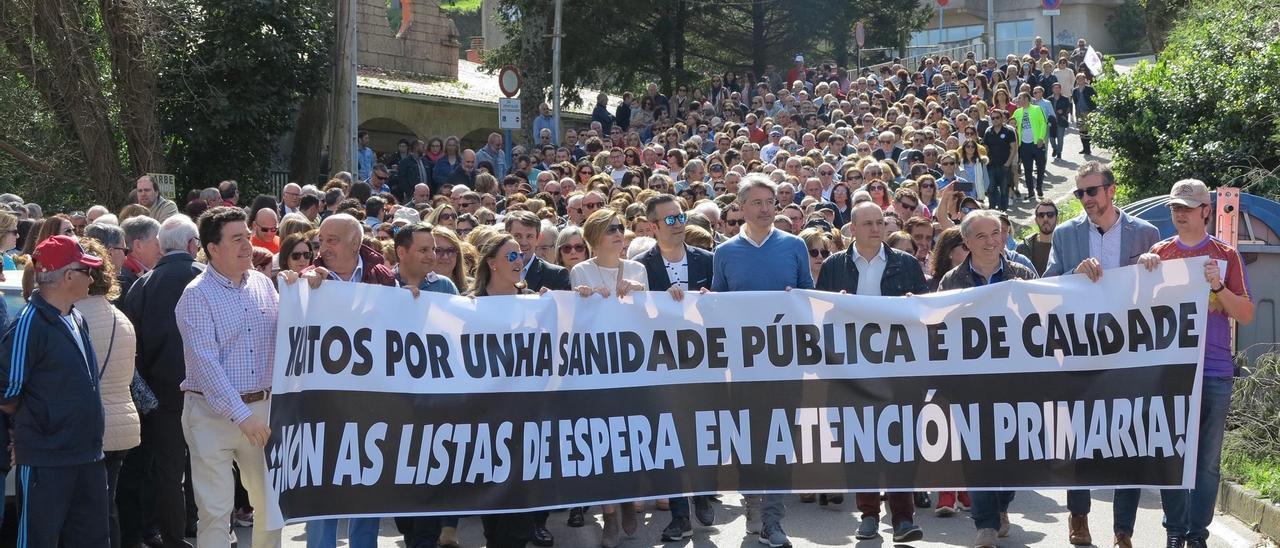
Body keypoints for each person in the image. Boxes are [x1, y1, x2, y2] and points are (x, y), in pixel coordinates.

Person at [1044, 162, 1160, 548]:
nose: (1086, 200)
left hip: (1129, 354)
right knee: (1078, 440)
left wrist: (1152, 268)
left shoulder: (1146, 234)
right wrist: (1072, 276)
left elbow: (1162, 294)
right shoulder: (1065, 234)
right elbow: (1048, 286)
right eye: (1079, 194)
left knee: (1130, 440)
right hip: (1080, 354)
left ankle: (1123, 530)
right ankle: (1078, 516)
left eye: (1091, 192)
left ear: (1112, 191)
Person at [1141, 180, 1254, 548]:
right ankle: (1175, 530)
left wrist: (1219, 287)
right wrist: (1143, 272)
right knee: (1171, 456)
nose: (1180, 214)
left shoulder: (1227, 255)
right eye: (1176, 208)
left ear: (1206, 210)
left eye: (1188, 208)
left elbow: (1247, 314)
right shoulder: (1159, 252)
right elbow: (1136, 311)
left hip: (1215, 371)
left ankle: (1196, 535)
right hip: (1169, 372)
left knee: (1206, 463)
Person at [814, 202, 926, 543]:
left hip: (897, 369)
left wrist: (912, 304)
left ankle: (903, 518)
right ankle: (868, 514)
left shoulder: (904, 263)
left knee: (900, 441)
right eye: (868, 223)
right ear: (852, 229)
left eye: (880, 222)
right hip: (851, 371)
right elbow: (820, 315)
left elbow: (924, 311)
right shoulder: (835, 265)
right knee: (859, 443)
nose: (876, 228)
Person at [712, 174, 812, 548]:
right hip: (743, 365)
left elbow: (809, 299)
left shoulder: (795, 246)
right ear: (741, 206)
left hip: (786, 362)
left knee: (781, 439)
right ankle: (752, 497)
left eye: (771, 201)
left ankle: (773, 520)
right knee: (750, 441)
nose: (767, 208)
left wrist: (796, 297)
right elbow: (719, 304)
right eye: (758, 202)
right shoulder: (725, 253)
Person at [175, 207, 281, 548]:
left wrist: (307, 290)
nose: (248, 245)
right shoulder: (196, 295)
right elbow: (205, 364)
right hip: (210, 414)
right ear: (213, 248)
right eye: (237, 239)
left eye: (247, 237)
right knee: (216, 511)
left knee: (271, 504)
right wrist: (242, 415)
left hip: (261, 411)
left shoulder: (264, 285)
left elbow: (289, 337)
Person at [934, 210, 1038, 547]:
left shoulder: (1021, 275)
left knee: (1011, 454)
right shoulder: (951, 281)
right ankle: (985, 525)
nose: (991, 241)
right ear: (966, 242)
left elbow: (1043, 320)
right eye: (981, 236)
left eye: (995, 233)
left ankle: (1001, 504)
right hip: (970, 383)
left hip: (1014, 381)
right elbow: (938, 327)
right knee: (976, 453)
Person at [1, 235, 109, 546]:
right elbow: (6, 391)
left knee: (91, 539)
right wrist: (39, 425)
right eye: (87, 270)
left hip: (87, 454)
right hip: (46, 461)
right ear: (68, 276)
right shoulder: (28, 323)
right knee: (39, 540)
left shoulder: (76, 317)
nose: (93, 276)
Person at [630, 194, 717, 541]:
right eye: (669, 219)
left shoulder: (709, 260)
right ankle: (680, 514)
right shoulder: (638, 266)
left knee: (702, 432)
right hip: (660, 363)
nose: (678, 223)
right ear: (653, 226)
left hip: (704, 362)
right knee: (669, 438)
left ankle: (702, 492)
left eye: (680, 217)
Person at [117, 215, 202, 548]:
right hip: (207, 392)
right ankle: (211, 532)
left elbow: (132, 345)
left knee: (168, 472)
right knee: (212, 466)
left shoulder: (144, 284)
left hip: (159, 395)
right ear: (193, 245)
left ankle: (172, 538)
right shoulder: (206, 278)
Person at [467, 230, 541, 548]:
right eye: (511, 255)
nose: (519, 260)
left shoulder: (536, 302)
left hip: (527, 422)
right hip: (485, 423)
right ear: (492, 264)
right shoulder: (467, 306)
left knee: (518, 525)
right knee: (494, 523)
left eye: (521, 254)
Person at [77, 237, 142, 548]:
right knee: (107, 507)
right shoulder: (122, 319)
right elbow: (127, 376)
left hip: (90, 428)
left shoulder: (73, 318)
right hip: (123, 425)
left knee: (87, 513)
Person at [507, 211, 570, 293]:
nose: (523, 242)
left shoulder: (556, 275)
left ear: (538, 239)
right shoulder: (494, 272)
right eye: (518, 236)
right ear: (506, 236)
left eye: (530, 236)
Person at [1011, 92, 1048, 200]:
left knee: (1041, 166)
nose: (1018, 100)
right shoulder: (1017, 112)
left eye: (1020, 98)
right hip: (1024, 145)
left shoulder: (1037, 109)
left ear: (1027, 99)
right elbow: (1011, 124)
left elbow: (1043, 123)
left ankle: (1039, 187)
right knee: (1027, 169)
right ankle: (1031, 191)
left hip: (1037, 143)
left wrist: (1041, 138)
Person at [120, 215, 163, 299]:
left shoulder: (131, 274)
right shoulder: (123, 280)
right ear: (138, 245)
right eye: (158, 244)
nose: (162, 250)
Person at [981, 109, 1017, 211]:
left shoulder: (1009, 131)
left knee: (1004, 190)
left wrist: (1008, 164)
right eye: (993, 118)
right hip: (991, 165)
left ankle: (1003, 210)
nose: (995, 120)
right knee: (991, 188)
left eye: (997, 117)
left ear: (1002, 118)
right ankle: (992, 208)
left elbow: (1014, 148)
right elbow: (985, 148)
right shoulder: (988, 131)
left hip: (1004, 165)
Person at [1016, 200, 1058, 275]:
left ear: (1057, 219)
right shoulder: (1023, 248)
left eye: (1050, 215)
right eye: (1041, 215)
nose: (1045, 219)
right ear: (1036, 220)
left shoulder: (1067, 246)